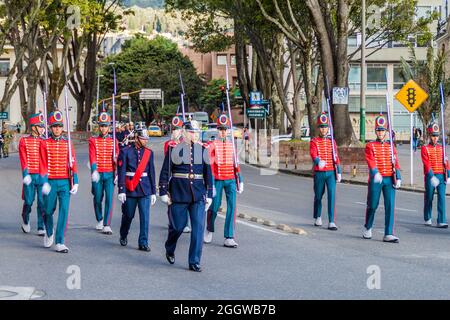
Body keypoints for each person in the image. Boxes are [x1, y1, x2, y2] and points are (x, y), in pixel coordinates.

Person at [159, 120, 213, 272]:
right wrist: (163, 191)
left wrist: (209, 194)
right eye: (191, 132)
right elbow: (165, 171)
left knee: (198, 229)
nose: (194, 135)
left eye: (196, 132)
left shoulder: (203, 150)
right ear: (184, 132)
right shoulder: (174, 149)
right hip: (178, 193)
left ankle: (194, 261)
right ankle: (170, 247)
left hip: (197, 194)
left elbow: (209, 174)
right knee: (177, 227)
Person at [39, 111, 79, 253]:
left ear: (63, 128)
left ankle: (60, 241)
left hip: (64, 182)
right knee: (47, 210)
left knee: (64, 210)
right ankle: (49, 231)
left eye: (59, 126)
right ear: (50, 128)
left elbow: (72, 162)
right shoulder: (44, 144)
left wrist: (76, 181)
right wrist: (44, 182)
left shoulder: (68, 143)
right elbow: (42, 164)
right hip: (50, 182)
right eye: (54, 126)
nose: (57, 129)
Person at [205, 114, 243, 247]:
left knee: (232, 208)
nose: (223, 132)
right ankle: (209, 228)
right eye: (221, 129)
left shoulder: (232, 145)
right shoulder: (212, 145)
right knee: (214, 207)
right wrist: (211, 184)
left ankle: (229, 236)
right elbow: (209, 165)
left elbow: (236, 164)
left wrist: (240, 180)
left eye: (225, 129)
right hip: (218, 180)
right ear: (217, 130)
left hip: (231, 179)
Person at [117, 123, 156, 252]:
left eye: (146, 139)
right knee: (128, 215)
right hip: (130, 188)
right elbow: (122, 171)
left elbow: (151, 172)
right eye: (143, 139)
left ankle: (143, 242)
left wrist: (153, 192)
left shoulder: (149, 153)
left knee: (145, 217)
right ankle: (123, 234)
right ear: (137, 138)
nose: (145, 141)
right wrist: (121, 190)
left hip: (144, 188)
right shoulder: (125, 151)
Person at [363, 114, 401, 243]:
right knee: (373, 205)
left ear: (386, 131)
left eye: (382, 130)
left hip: (389, 179)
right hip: (376, 179)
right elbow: (370, 161)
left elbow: (396, 162)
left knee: (390, 206)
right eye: (378, 130)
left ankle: (388, 233)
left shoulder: (391, 146)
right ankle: (368, 227)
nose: (380, 132)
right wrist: (375, 172)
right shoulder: (370, 146)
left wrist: (399, 177)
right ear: (375, 131)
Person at [309, 112, 342, 231]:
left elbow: (336, 157)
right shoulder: (314, 141)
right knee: (318, 196)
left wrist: (338, 171)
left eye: (325, 127)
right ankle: (317, 216)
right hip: (319, 172)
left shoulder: (332, 142)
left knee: (332, 196)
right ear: (319, 128)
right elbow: (313, 153)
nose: (324, 129)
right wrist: (318, 161)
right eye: (322, 127)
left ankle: (332, 221)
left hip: (331, 172)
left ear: (328, 128)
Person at [89, 111, 119, 234]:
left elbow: (118, 157)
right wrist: (94, 170)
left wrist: (117, 170)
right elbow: (92, 156)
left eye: (105, 126)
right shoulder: (93, 140)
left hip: (110, 173)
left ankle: (107, 223)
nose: (103, 128)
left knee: (109, 199)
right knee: (97, 198)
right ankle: (99, 218)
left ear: (109, 127)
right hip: (98, 174)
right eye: (101, 126)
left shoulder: (114, 141)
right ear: (99, 126)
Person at [18, 112, 46, 235]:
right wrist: (26, 175)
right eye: (40, 126)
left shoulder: (44, 141)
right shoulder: (24, 141)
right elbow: (23, 159)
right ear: (34, 127)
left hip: (41, 176)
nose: (42, 128)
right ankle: (25, 218)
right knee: (29, 201)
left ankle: (41, 226)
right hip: (29, 176)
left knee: (41, 202)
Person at [421, 122, 450, 228]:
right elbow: (426, 163)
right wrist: (431, 176)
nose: (435, 138)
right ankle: (427, 217)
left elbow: (446, 161)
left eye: (437, 136)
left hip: (441, 175)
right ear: (429, 136)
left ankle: (441, 220)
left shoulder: (442, 148)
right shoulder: (425, 148)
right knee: (429, 197)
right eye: (433, 135)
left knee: (442, 198)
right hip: (430, 177)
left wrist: (449, 174)